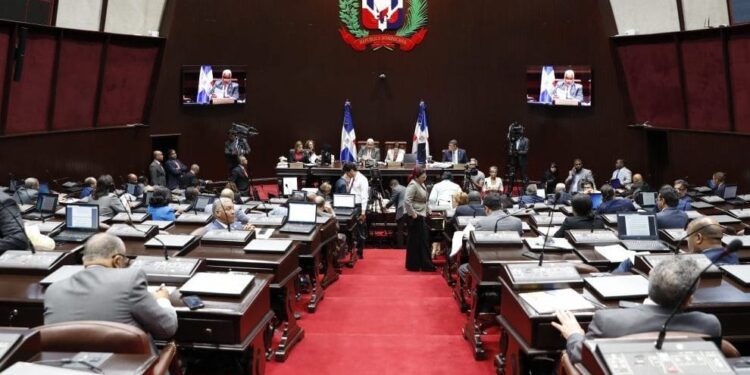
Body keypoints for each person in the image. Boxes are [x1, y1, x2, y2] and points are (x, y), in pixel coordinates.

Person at [553, 256, 721, 363]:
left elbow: (578, 356)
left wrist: (575, 334)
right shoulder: (710, 325)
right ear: (689, 298)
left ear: (650, 281)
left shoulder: (608, 321)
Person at [44, 233, 178, 340]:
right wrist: (162, 299)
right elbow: (167, 328)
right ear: (117, 260)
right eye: (125, 261)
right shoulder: (130, 280)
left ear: (85, 260)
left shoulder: (53, 290)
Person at [404, 167, 435, 272]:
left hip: (422, 214)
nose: (425, 177)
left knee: (422, 241)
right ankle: (414, 265)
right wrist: (413, 214)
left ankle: (422, 264)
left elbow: (424, 200)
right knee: (416, 242)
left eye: (425, 175)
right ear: (416, 177)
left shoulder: (421, 183)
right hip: (416, 216)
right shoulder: (413, 185)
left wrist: (428, 209)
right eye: (423, 176)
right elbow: (407, 201)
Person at [343, 162, 369, 259]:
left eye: (347, 173)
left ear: (351, 171)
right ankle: (351, 249)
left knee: (360, 230)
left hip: (358, 207)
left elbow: (364, 197)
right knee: (351, 229)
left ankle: (359, 252)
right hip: (351, 206)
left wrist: (363, 212)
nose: (346, 175)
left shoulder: (362, 179)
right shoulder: (352, 178)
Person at [191, 198, 255, 236]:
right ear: (217, 213)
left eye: (233, 208)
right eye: (229, 209)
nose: (233, 212)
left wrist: (248, 231)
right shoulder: (210, 232)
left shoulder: (236, 224)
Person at [385, 179, 406, 246]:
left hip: (402, 210)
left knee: (400, 229)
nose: (391, 189)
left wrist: (385, 207)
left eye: (391, 188)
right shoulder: (404, 188)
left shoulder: (395, 189)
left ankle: (400, 245)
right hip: (409, 210)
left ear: (393, 185)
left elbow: (392, 201)